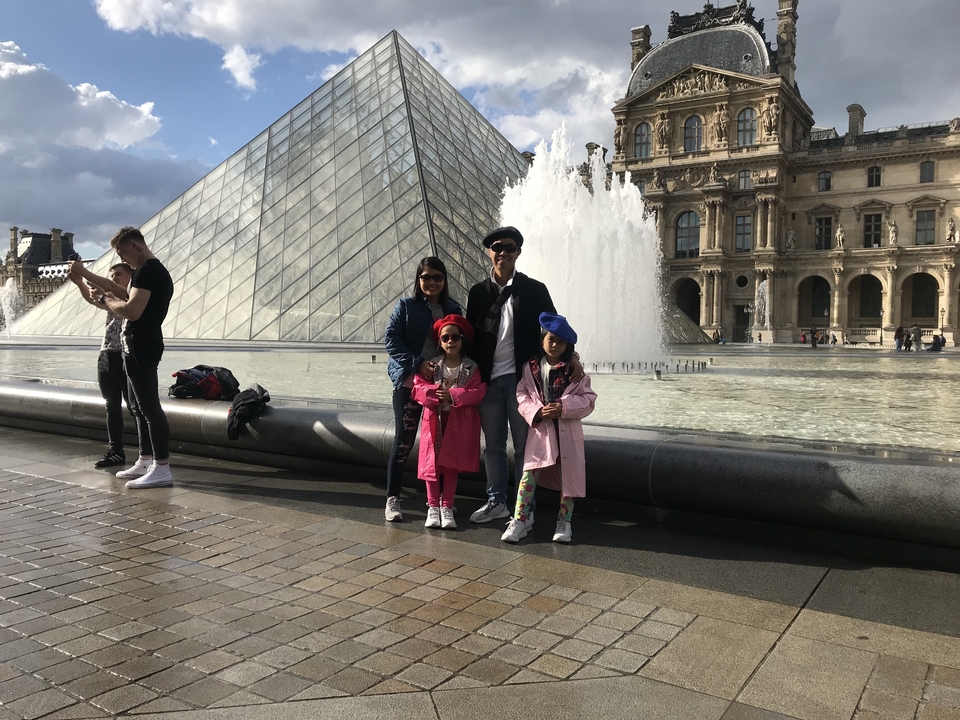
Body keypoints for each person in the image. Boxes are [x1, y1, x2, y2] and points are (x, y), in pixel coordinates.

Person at [465, 226, 583, 524]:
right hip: (489, 382)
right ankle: (496, 501)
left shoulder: (534, 289)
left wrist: (574, 357)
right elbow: (469, 337)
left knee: (523, 450)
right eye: (496, 247)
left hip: (523, 384)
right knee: (492, 447)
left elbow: (556, 330)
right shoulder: (477, 292)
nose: (502, 252)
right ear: (489, 252)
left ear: (518, 252)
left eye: (509, 247)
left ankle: (523, 508)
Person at [70, 227, 174, 488]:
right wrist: (85, 276)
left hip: (142, 344)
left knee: (150, 409)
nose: (122, 257)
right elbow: (119, 290)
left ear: (136, 246)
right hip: (139, 344)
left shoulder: (148, 271)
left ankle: (161, 467)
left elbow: (132, 310)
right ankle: (145, 459)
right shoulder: (148, 270)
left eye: (122, 251)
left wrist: (106, 299)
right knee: (140, 408)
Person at [502, 313, 596, 544]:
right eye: (551, 339)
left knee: (568, 480)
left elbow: (589, 400)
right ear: (542, 340)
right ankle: (519, 519)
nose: (555, 345)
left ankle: (565, 521)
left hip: (566, 432)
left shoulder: (574, 371)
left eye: (561, 341)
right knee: (528, 476)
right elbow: (522, 393)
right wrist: (535, 411)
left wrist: (563, 407)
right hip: (541, 431)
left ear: (568, 345)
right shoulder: (530, 367)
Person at [384, 258, 462, 522]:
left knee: (441, 447)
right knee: (403, 442)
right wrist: (417, 363)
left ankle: (443, 502)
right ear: (418, 279)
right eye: (426, 277)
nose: (431, 282)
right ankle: (392, 497)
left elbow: (465, 345)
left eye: (437, 277)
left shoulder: (453, 308)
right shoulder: (406, 306)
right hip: (409, 385)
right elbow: (391, 341)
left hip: (442, 389)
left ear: (445, 280)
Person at [412, 315, 486, 529]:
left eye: (455, 337)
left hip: (457, 422)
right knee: (431, 465)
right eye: (446, 338)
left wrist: (454, 395)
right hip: (435, 421)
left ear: (463, 340)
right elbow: (418, 388)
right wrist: (436, 393)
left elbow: (479, 391)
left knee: (451, 466)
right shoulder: (431, 366)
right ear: (440, 341)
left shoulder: (471, 367)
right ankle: (433, 507)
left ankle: (447, 506)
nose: (450, 342)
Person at [68, 262, 133, 468]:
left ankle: (148, 454)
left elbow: (112, 294)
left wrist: (102, 288)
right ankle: (115, 451)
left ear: (130, 277)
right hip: (106, 356)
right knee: (111, 407)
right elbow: (94, 300)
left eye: (118, 275)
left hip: (125, 356)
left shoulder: (132, 296)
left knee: (135, 408)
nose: (114, 278)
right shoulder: (112, 297)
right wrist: (80, 283)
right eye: (112, 275)